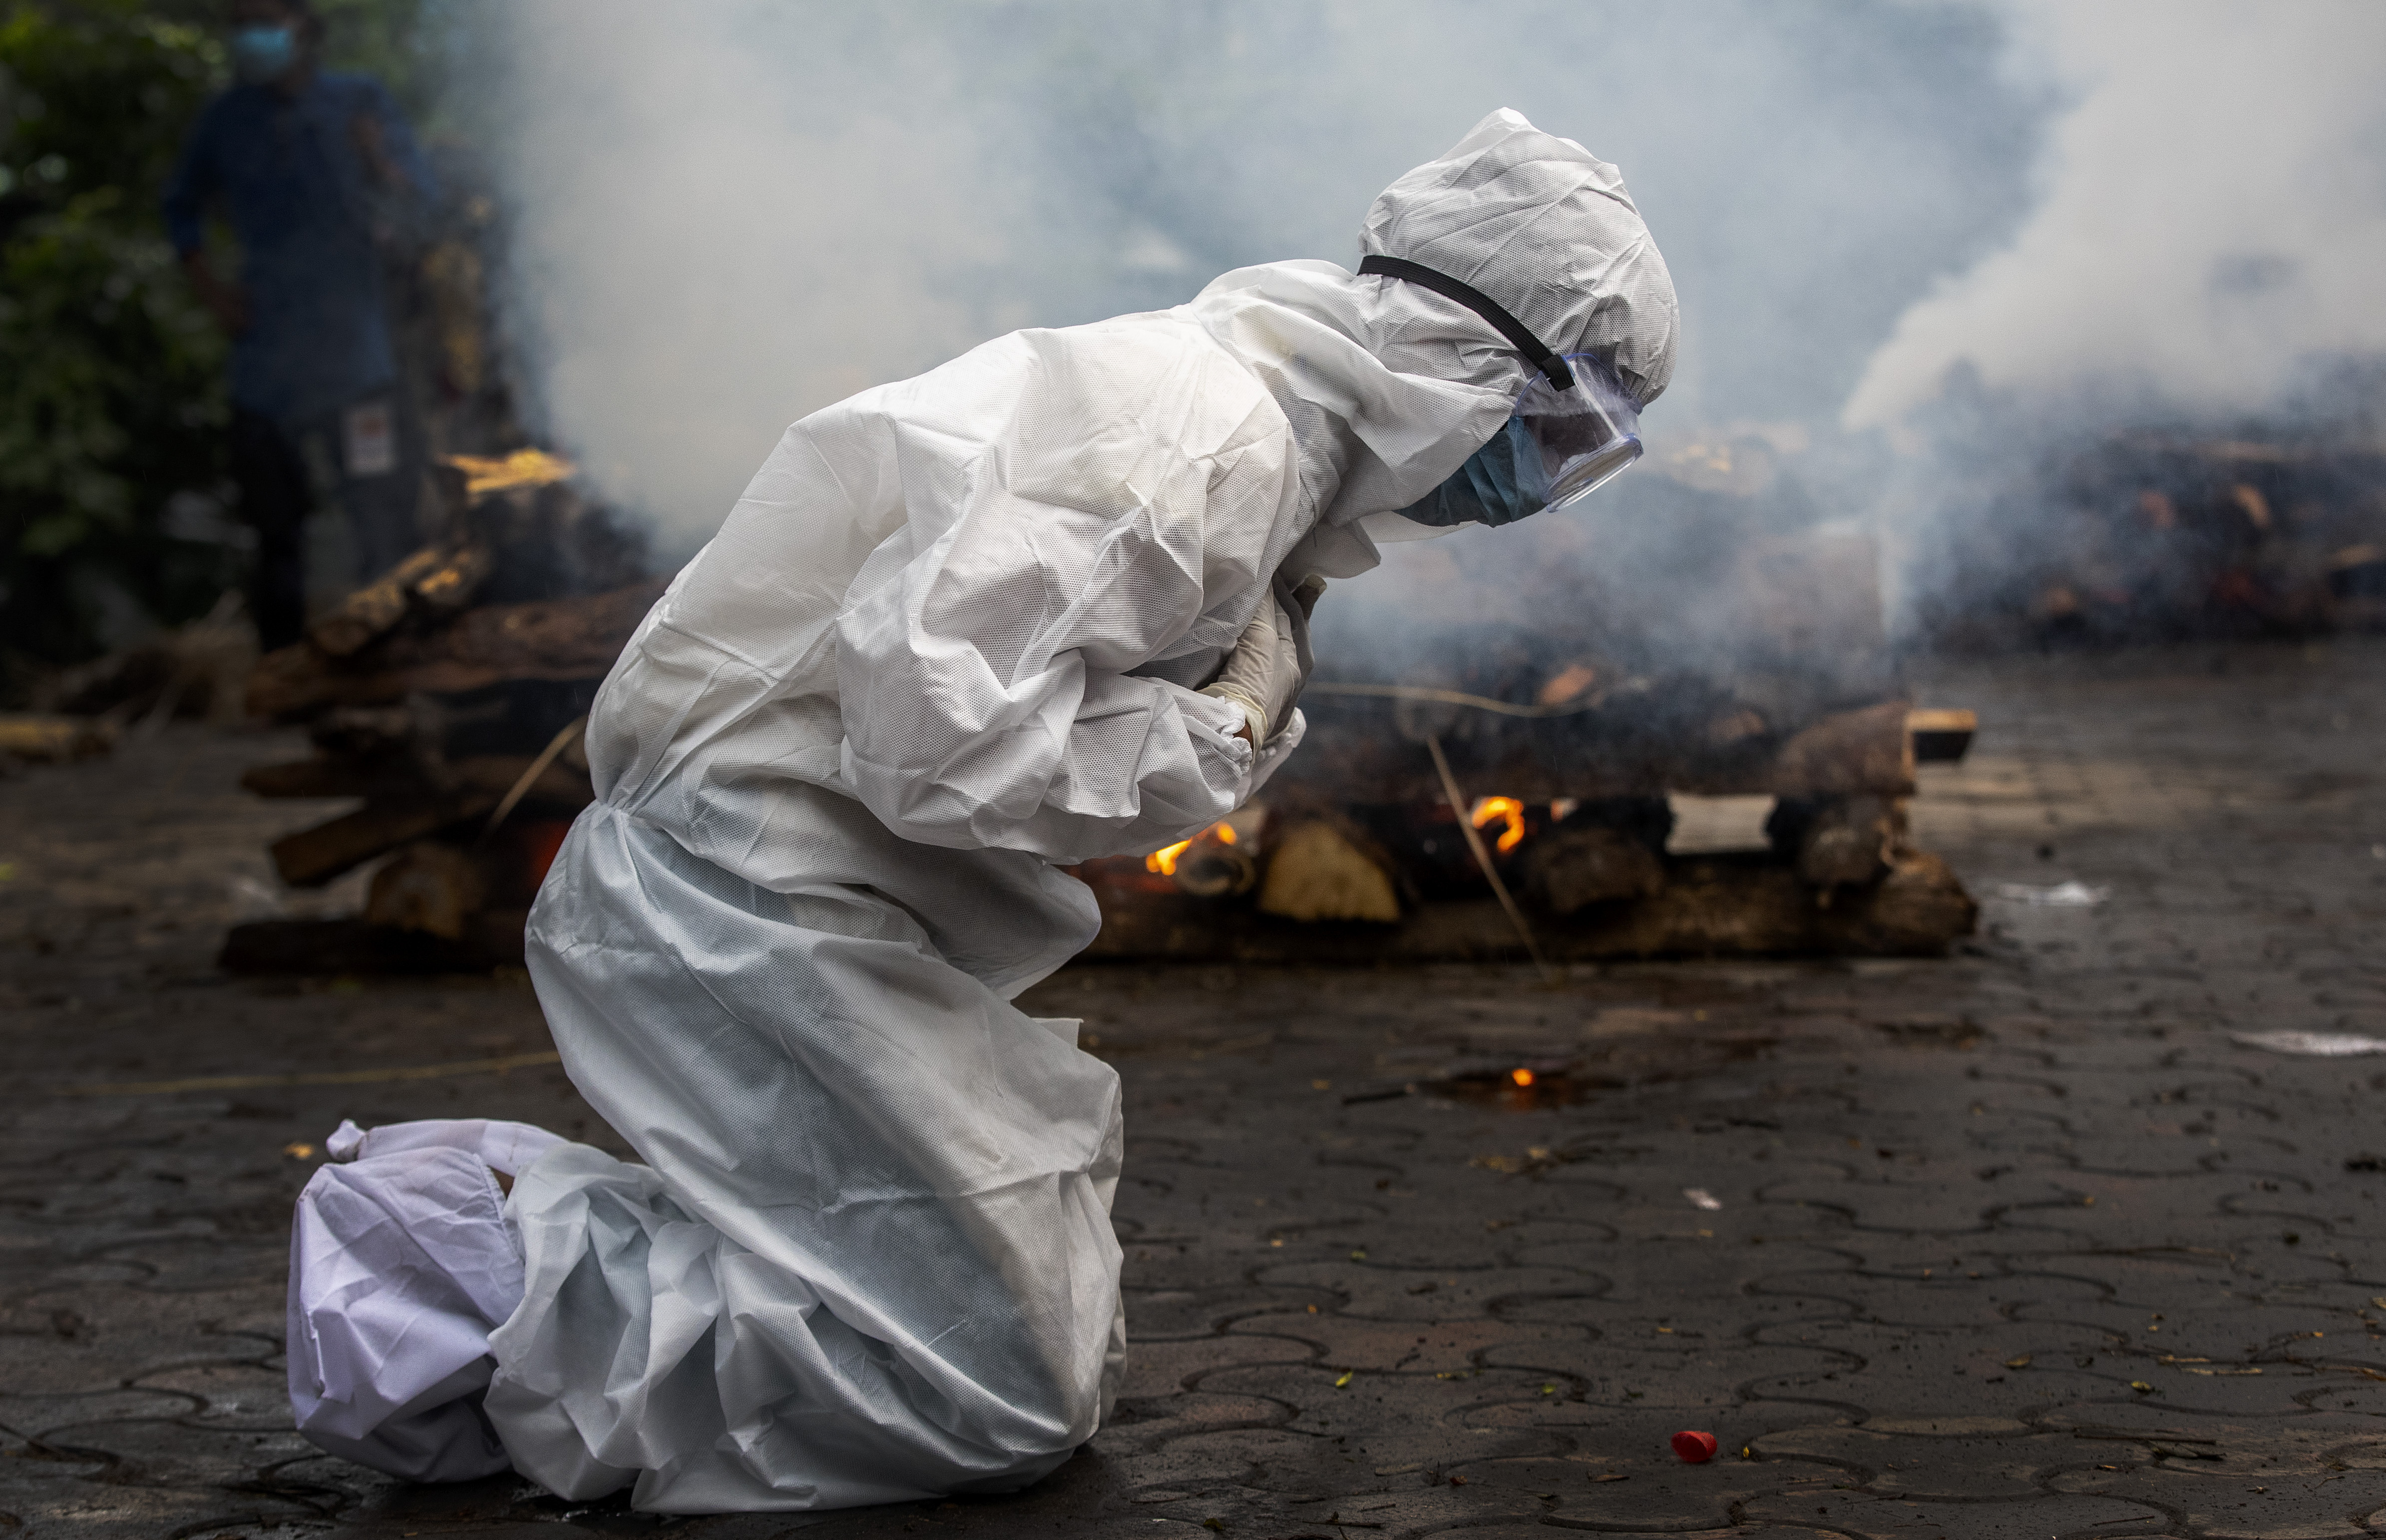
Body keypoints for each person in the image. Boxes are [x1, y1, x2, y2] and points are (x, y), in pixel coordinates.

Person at [284, 108, 1678, 1511]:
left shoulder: (1259, 448)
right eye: (1562, 428)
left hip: (795, 894)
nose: (1546, 483)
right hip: (738, 892)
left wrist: (1222, 716)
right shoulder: (1196, 444)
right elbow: (931, 745)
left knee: (1027, 1333)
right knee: (992, 1388)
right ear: (1467, 359)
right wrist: (1220, 730)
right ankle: (447, 1255)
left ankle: (509, 1272)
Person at [163, 0, 433, 649]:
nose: (250, 37)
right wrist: (213, 292)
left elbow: (423, 198)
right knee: (273, 522)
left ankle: (385, 654)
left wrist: (376, 162)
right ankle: (280, 667)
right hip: (267, 358)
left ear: (303, 27)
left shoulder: (358, 101)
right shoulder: (226, 119)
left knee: (378, 510)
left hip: (354, 352)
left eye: (265, 20)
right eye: (239, 24)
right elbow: (180, 207)